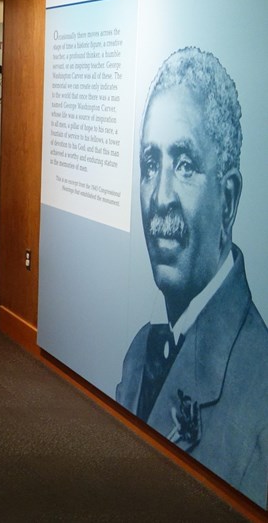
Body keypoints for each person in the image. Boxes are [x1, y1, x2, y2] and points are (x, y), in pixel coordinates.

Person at [115, 47, 268, 506]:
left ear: (229, 200)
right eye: (150, 165)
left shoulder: (259, 391)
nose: (160, 196)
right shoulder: (141, 352)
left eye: (184, 165)